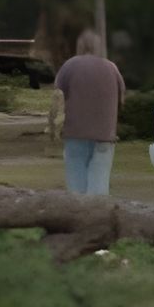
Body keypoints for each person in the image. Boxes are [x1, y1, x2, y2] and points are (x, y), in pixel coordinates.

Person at [53, 29, 125, 195]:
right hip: (105, 135)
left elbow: (57, 96)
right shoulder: (111, 67)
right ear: (99, 47)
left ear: (79, 46)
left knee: (76, 187)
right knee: (99, 184)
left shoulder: (69, 66)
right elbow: (122, 100)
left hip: (75, 133)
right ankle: (97, 217)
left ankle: (78, 217)